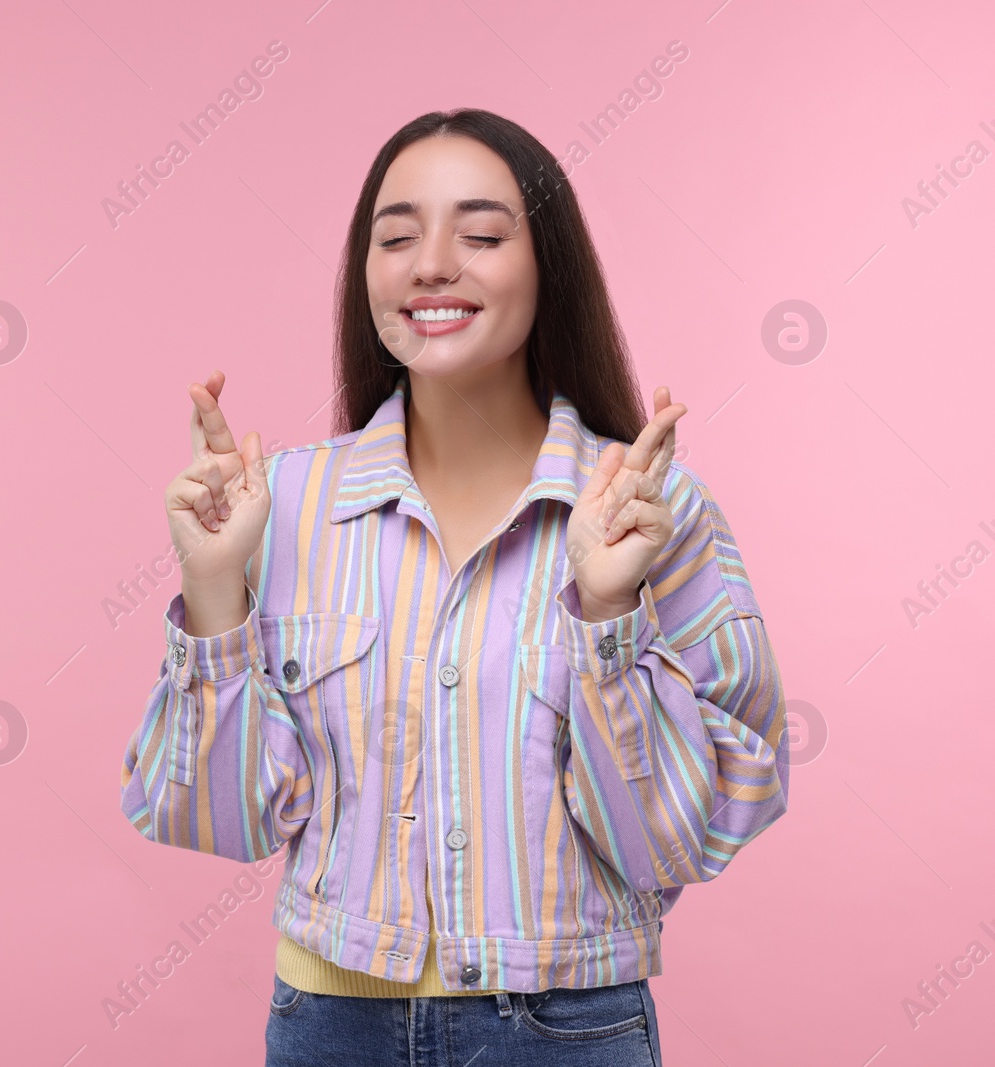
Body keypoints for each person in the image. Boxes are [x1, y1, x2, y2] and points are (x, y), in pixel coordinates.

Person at [118, 107, 789, 1066]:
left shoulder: (649, 510)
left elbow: (678, 841)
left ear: (548, 265)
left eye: (479, 234)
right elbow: (213, 820)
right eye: (396, 237)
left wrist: (607, 615)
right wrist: (215, 594)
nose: (432, 263)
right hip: (330, 1027)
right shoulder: (284, 506)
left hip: (568, 1030)